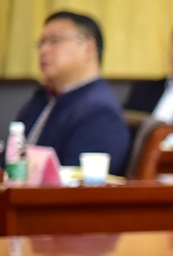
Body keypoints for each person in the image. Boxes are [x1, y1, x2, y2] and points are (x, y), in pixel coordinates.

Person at [12, 10, 130, 175]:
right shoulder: (43, 99)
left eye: (55, 41)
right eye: (41, 43)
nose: (43, 50)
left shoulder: (99, 112)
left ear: (88, 49)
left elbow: (76, 184)